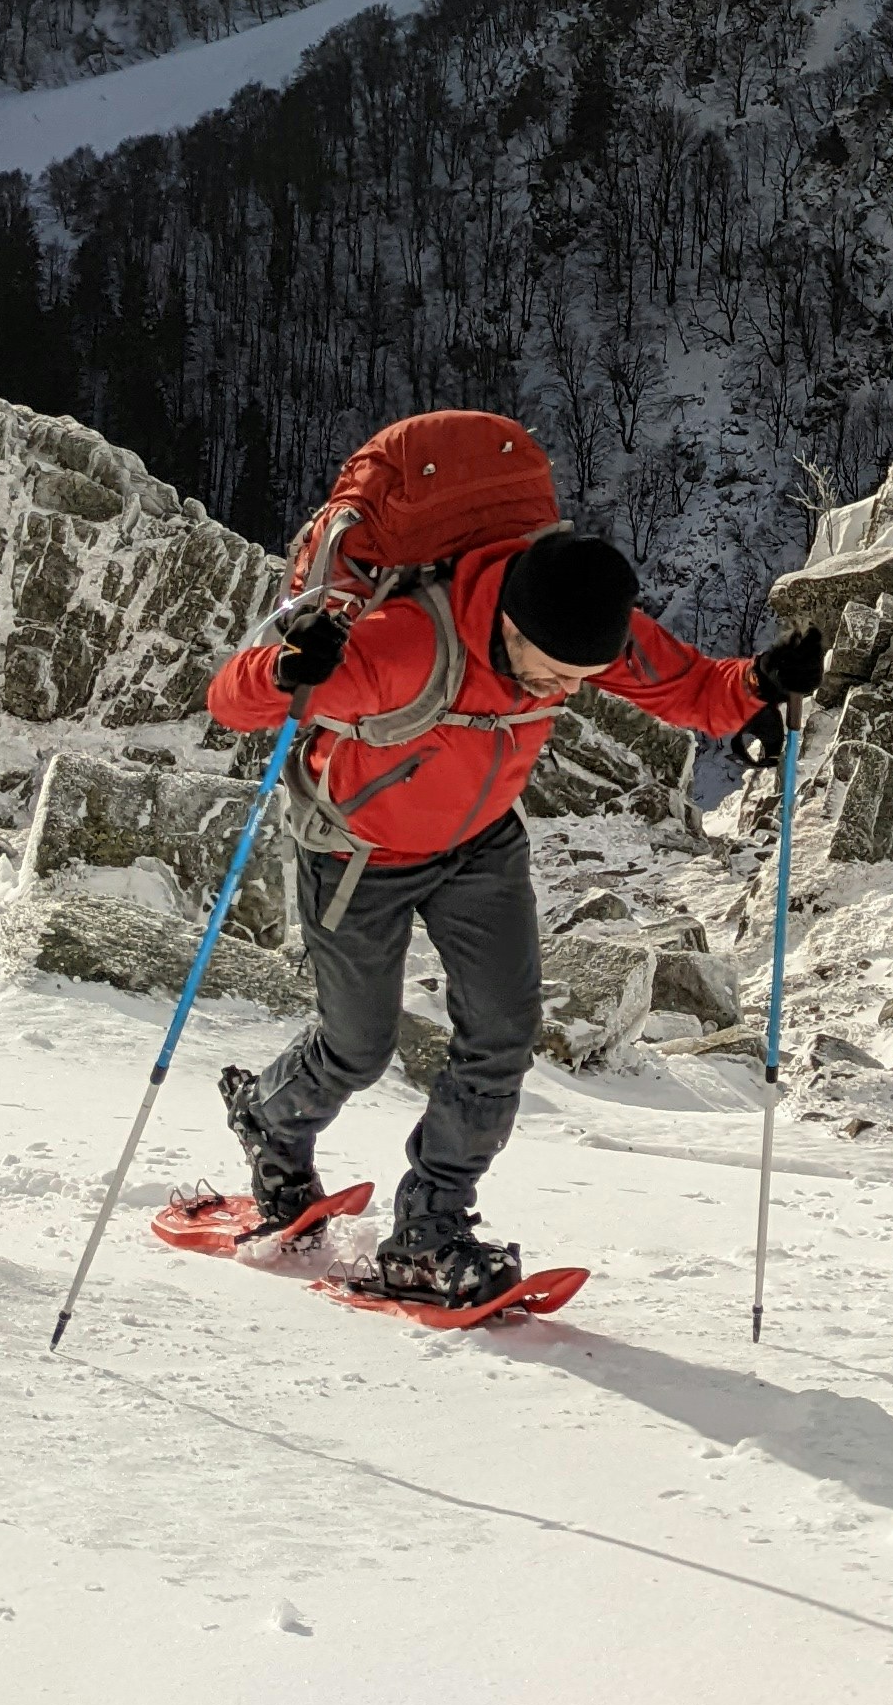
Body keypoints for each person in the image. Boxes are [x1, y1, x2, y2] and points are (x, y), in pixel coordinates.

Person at [207, 525, 822, 1305]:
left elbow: (688, 687)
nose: (562, 691)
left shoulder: (580, 624)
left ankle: (431, 1229)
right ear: (508, 624)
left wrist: (758, 684)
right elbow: (233, 700)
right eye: (555, 673)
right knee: (358, 1048)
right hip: (358, 852)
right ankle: (271, 1121)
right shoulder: (403, 647)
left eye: (583, 677)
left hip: (479, 846)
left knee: (502, 1036)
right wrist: (290, 664)